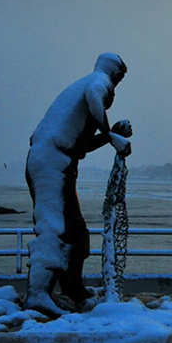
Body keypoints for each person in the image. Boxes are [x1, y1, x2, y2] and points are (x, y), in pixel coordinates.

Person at [24, 53, 132, 315]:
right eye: (120, 78)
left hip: (56, 161)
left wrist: (110, 136)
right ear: (115, 73)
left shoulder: (82, 88)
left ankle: (72, 288)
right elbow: (95, 96)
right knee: (55, 227)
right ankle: (37, 295)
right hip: (52, 162)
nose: (117, 84)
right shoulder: (99, 81)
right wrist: (109, 134)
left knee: (76, 230)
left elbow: (81, 146)